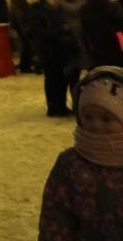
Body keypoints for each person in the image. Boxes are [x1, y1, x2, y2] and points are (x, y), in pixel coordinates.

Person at [38, 66, 123, 239]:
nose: (96, 125)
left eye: (106, 118)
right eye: (88, 117)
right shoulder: (70, 163)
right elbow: (56, 215)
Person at [32, 0, 77, 117]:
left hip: (57, 50)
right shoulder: (39, 13)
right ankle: (54, 106)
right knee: (53, 79)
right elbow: (40, 33)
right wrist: (59, 32)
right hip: (49, 51)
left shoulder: (52, 10)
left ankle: (61, 105)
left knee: (61, 79)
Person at [79, 0, 123, 69]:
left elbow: (84, 30)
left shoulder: (83, 8)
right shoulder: (113, 6)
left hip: (96, 49)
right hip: (115, 48)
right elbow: (120, 29)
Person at [10, 0, 37, 73]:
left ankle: (26, 65)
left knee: (28, 44)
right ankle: (25, 66)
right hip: (21, 23)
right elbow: (17, 12)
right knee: (27, 44)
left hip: (29, 22)